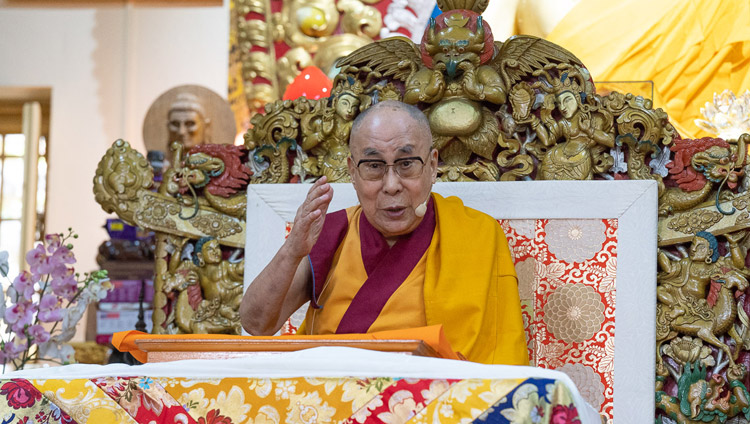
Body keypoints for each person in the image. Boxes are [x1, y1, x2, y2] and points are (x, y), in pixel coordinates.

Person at [239, 100, 528, 365]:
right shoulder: (331, 233)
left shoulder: (477, 235)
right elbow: (257, 324)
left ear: (433, 164)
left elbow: (497, 361)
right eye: (374, 166)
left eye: (406, 164)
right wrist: (292, 250)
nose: (391, 185)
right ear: (352, 172)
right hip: (333, 397)